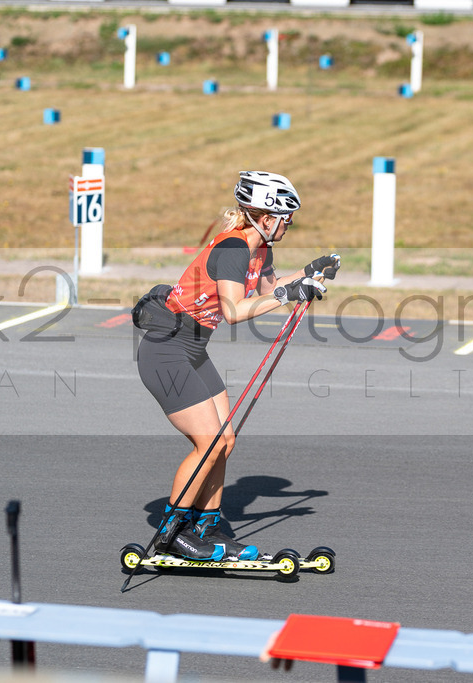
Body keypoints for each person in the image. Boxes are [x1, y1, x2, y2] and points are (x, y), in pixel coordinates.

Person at [133, 171, 340, 561]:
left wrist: (309, 273)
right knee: (208, 442)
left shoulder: (261, 250)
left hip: (193, 350)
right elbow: (234, 311)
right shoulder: (232, 249)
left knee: (225, 441)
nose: (289, 223)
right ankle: (171, 533)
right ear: (265, 217)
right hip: (166, 351)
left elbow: (270, 290)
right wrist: (286, 293)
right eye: (286, 216)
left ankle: (208, 527)